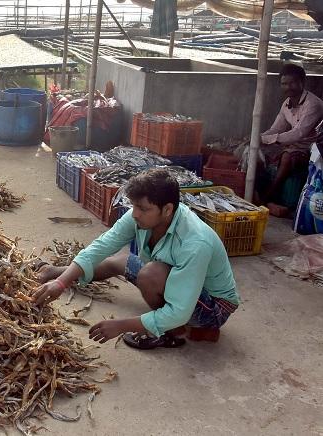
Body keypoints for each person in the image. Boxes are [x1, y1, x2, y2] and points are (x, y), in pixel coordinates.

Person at [33, 169, 240, 350]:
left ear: (167, 209)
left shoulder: (195, 243)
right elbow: (102, 246)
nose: (135, 214)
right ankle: (54, 273)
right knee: (119, 261)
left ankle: (174, 334)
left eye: (143, 208)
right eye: (134, 206)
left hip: (213, 307)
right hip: (178, 281)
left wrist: (122, 325)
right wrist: (62, 282)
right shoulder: (142, 216)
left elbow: (179, 312)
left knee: (151, 275)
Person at [259, 64, 323, 215]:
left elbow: (298, 133)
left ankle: (268, 196)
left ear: (302, 82)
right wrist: (259, 138)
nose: (288, 87)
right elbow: (276, 128)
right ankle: (260, 193)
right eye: (284, 83)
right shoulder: (286, 104)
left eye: (292, 83)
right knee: (258, 151)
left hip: (314, 149)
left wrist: (268, 139)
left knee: (287, 157)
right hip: (294, 145)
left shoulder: (313, 104)